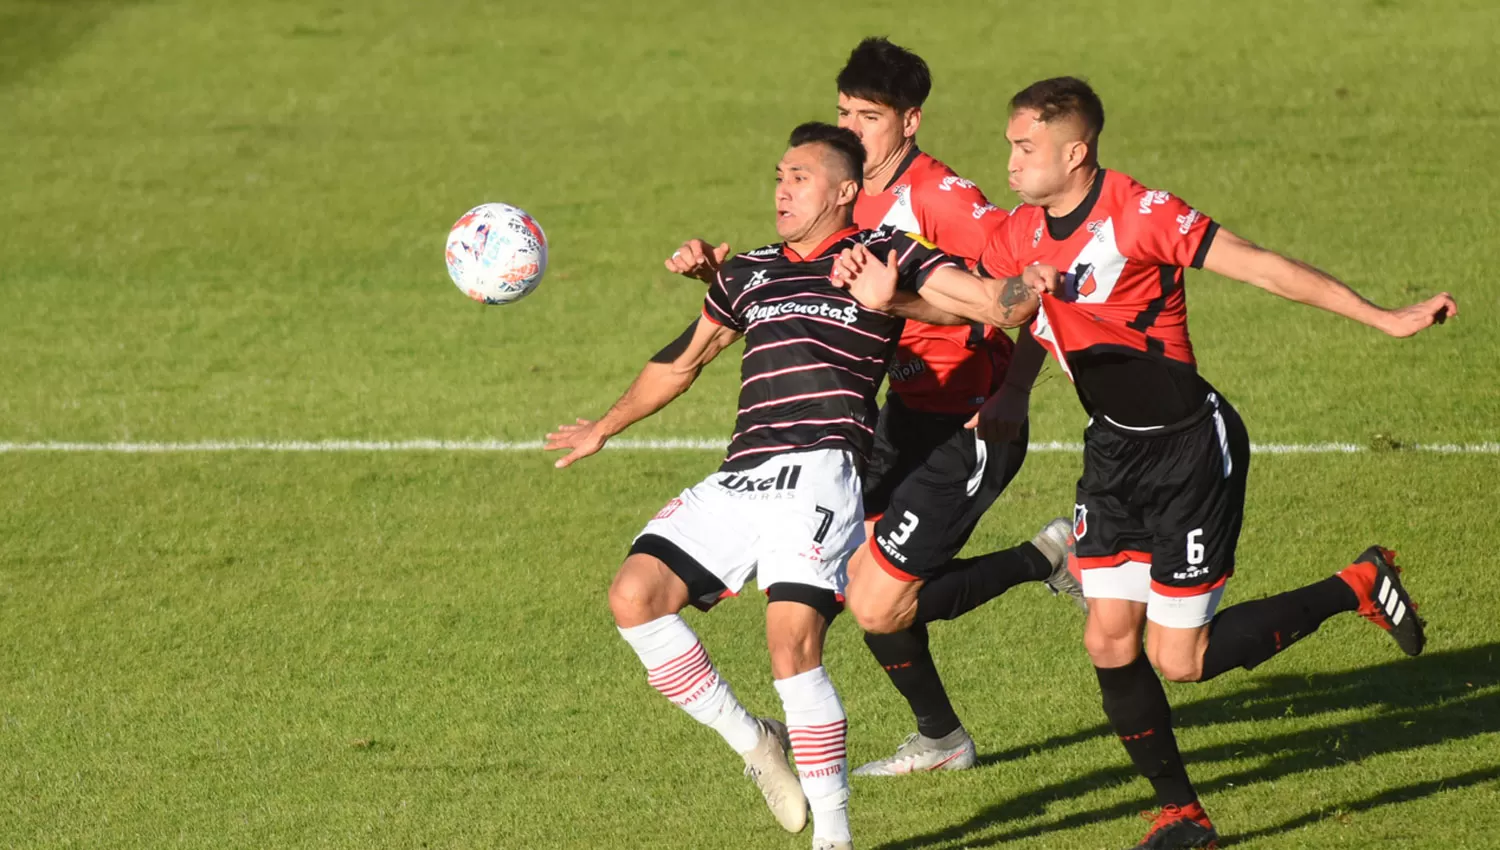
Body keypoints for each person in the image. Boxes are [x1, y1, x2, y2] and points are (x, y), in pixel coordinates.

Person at [831, 76, 1457, 850]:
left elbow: (1262, 266)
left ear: (1075, 152)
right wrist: (902, 306)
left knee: (1181, 659)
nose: (1011, 160)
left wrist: (1385, 317)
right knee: (1108, 641)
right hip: (1114, 452)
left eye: (1024, 147)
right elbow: (988, 303)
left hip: (1191, 451)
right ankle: (1182, 816)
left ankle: (1355, 584)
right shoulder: (1021, 232)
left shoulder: (1140, 214)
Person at [547, 122, 1038, 850]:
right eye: (778, 174)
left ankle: (833, 838)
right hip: (744, 473)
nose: (782, 188)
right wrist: (605, 426)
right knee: (634, 597)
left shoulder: (886, 254)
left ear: (846, 192)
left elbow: (1002, 305)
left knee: (791, 645)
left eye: (800, 177)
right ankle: (754, 742)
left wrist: (906, 297)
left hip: (821, 473)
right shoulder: (750, 271)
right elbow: (685, 359)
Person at [664, 36, 1082, 778]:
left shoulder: (945, 202)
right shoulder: (847, 192)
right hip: (897, 417)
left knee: (875, 600)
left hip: (970, 418)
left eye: (869, 116)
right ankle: (944, 737)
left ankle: (1046, 558)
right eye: (842, 111)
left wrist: (1014, 391)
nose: (850, 128)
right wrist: (717, 275)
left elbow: (1030, 286)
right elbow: (794, 285)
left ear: (910, 121)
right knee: (853, 579)